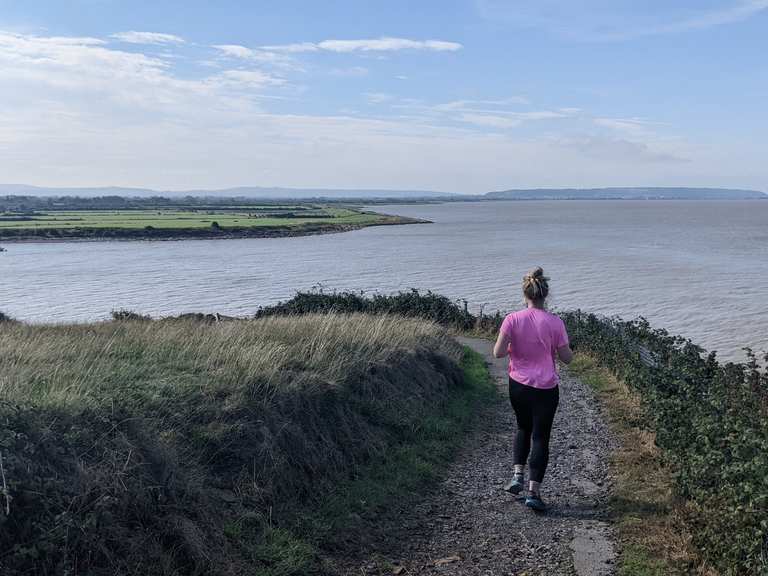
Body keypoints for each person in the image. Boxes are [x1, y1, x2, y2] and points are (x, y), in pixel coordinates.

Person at [493, 267, 573, 512]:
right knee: (541, 436)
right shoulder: (555, 322)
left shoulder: (512, 319)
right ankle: (533, 492)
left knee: (522, 427)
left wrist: (512, 349)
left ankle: (517, 475)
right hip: (546, 388)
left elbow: (497, 353)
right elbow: (567, 358)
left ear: (525, 293)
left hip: (518, 384)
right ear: (545, 295)